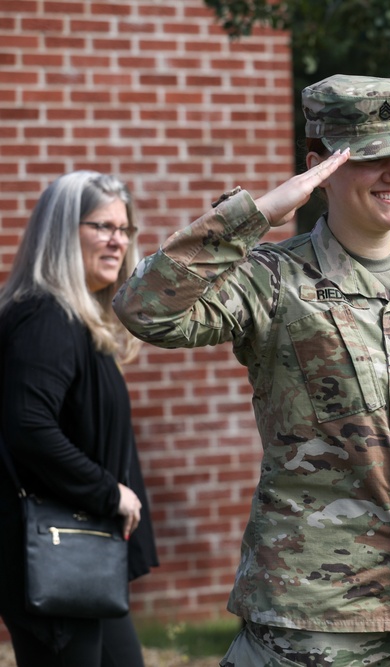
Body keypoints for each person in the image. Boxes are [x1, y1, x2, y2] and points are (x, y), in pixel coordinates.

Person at [114, 74, 390, 667]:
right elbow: (143, 308)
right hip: (316, 607)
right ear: (320, 168)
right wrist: (257, 214)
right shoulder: (272, 280)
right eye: (369, 157)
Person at [0, 170, 159, 666]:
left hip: (83, 558)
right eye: (102, 227)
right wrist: (109, 492)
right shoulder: (47, 318)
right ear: (63, 232)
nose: (118, 241)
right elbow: (29, 428)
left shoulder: (75, 319)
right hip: (55, 555)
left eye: (124, 229)